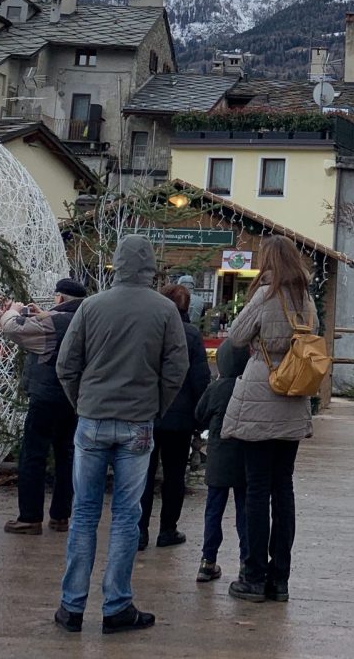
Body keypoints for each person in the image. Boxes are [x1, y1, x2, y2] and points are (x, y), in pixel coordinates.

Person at [53, 235, 187, 634]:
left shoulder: (91, 307)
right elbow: (175, 368)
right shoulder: (164, 311)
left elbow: (66, 363)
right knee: (128, 516)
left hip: (92, 418)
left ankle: (71, 607)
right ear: (150, 268)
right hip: (138, 423)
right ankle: (116, 606)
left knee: (84, 513)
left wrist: (83, 403)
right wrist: (156, 407)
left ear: (115, 264)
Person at [222, 236, 318, 604]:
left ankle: (253, 576)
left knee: (257, 490)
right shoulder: (306, 299)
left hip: (262, 395)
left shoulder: (266, 294)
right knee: (284, 488)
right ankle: (280, 580)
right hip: (294, 399)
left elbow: (236, 335)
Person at [0, 277, 86, 534]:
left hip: (47, 396)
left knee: (33, 455)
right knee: (66, 454)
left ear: (59, 298)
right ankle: (60, 516)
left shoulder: (54, 322)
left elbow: (13, 329)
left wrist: (12, 311)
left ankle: (30, 516)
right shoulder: (86, 319)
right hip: (74, 399)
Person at [140, 283, 211, 550]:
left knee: (143, 474)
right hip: (180, 418)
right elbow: (200, 378)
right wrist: (201, 417)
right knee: (174, 475)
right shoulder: (191, 335)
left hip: (147, 411)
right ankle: (167, 529)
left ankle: (140, 530)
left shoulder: (151, 329)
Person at [194, 339, 250, 583]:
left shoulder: (216, 389)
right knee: (244, 512)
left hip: (217, 457)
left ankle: (208, 561)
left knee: (213, 511)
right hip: (244, 458)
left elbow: (200, 416)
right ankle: (246, 563)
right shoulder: (249, 387)